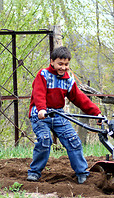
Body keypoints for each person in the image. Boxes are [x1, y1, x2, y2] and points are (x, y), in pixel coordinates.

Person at [27, 46, 102, 184]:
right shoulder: (43, 75)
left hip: (58, 114)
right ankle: (34, 172)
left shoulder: (68, 80)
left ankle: (82, 173)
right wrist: (42, 109)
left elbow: (80, 99)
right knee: (45, 141)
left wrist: (96, 113)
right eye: (60, 64)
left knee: (73, 141)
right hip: (40, 115)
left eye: (66, 64)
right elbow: (39, 94)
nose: (63, 67)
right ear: (52, 62)